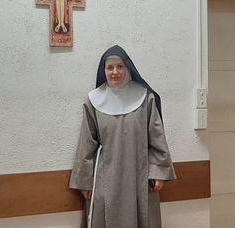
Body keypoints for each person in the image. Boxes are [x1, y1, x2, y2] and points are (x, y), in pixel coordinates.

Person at [70, 45, 176, 228]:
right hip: (105, 178)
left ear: (128, 68)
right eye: (110, 67)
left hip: (140, 175)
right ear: (104, 71)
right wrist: (85, 183)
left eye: (120, 66)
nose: (115, 72)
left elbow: (157, 137)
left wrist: (158, 171)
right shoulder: (94, 100)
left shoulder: (145, 98)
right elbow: (86, 144)